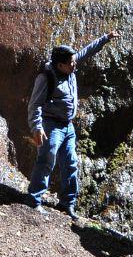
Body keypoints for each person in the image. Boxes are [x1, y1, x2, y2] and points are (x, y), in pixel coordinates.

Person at [27, 31, 119, 219]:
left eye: (74, 61)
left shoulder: (69, 65)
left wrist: (106, 38)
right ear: (60, 65)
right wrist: (37, 127)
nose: (74, 64)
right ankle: (34, 200)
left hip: (68, 126)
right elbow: (34, 104)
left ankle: (68, 204)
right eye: (71, 63)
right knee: (46, 161)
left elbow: (87, 51)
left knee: (70, 164)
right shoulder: (45, 77)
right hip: (50, 125)